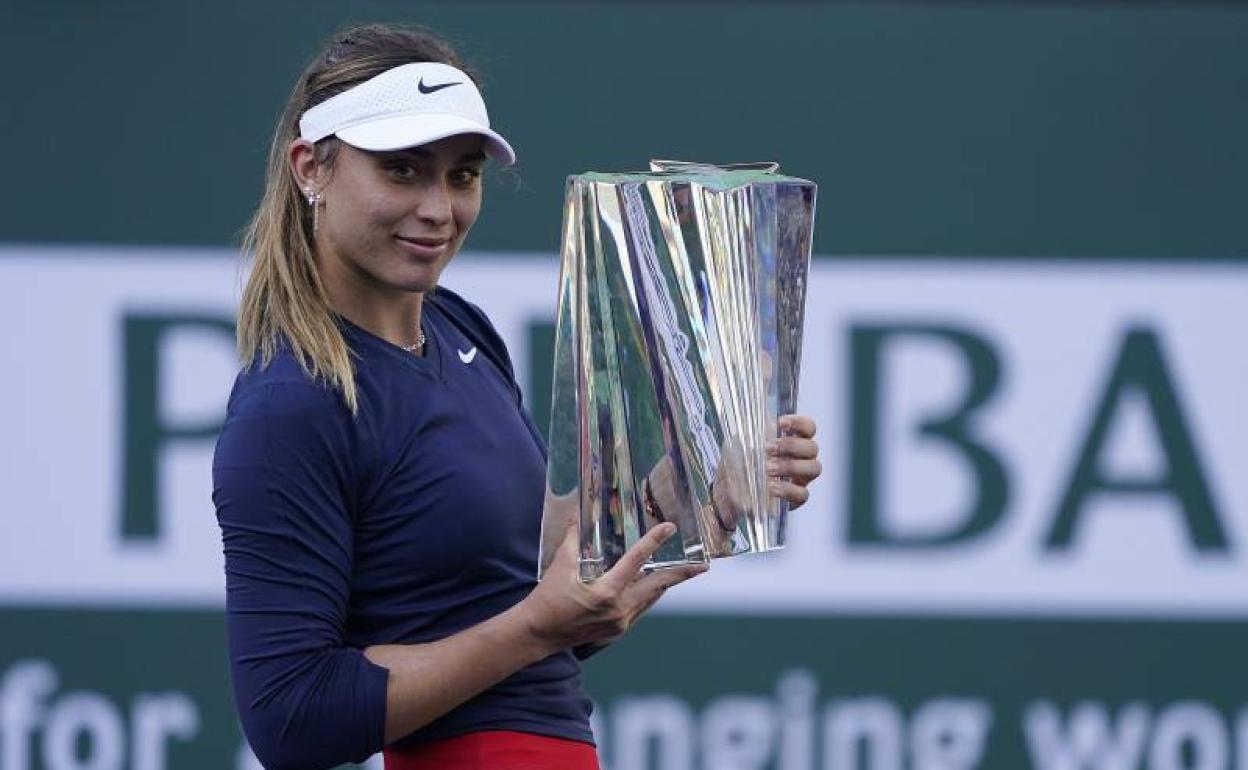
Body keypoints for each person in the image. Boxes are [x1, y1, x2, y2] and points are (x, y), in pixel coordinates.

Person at [212, 23, 823, 770]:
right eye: (403, 171)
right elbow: (290, 716)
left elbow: (554, 602)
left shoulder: (460, 327)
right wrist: (538, 626)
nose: (440, 208)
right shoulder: (291, 404)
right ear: (312, 168)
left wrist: (706, 494)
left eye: (462, 175)